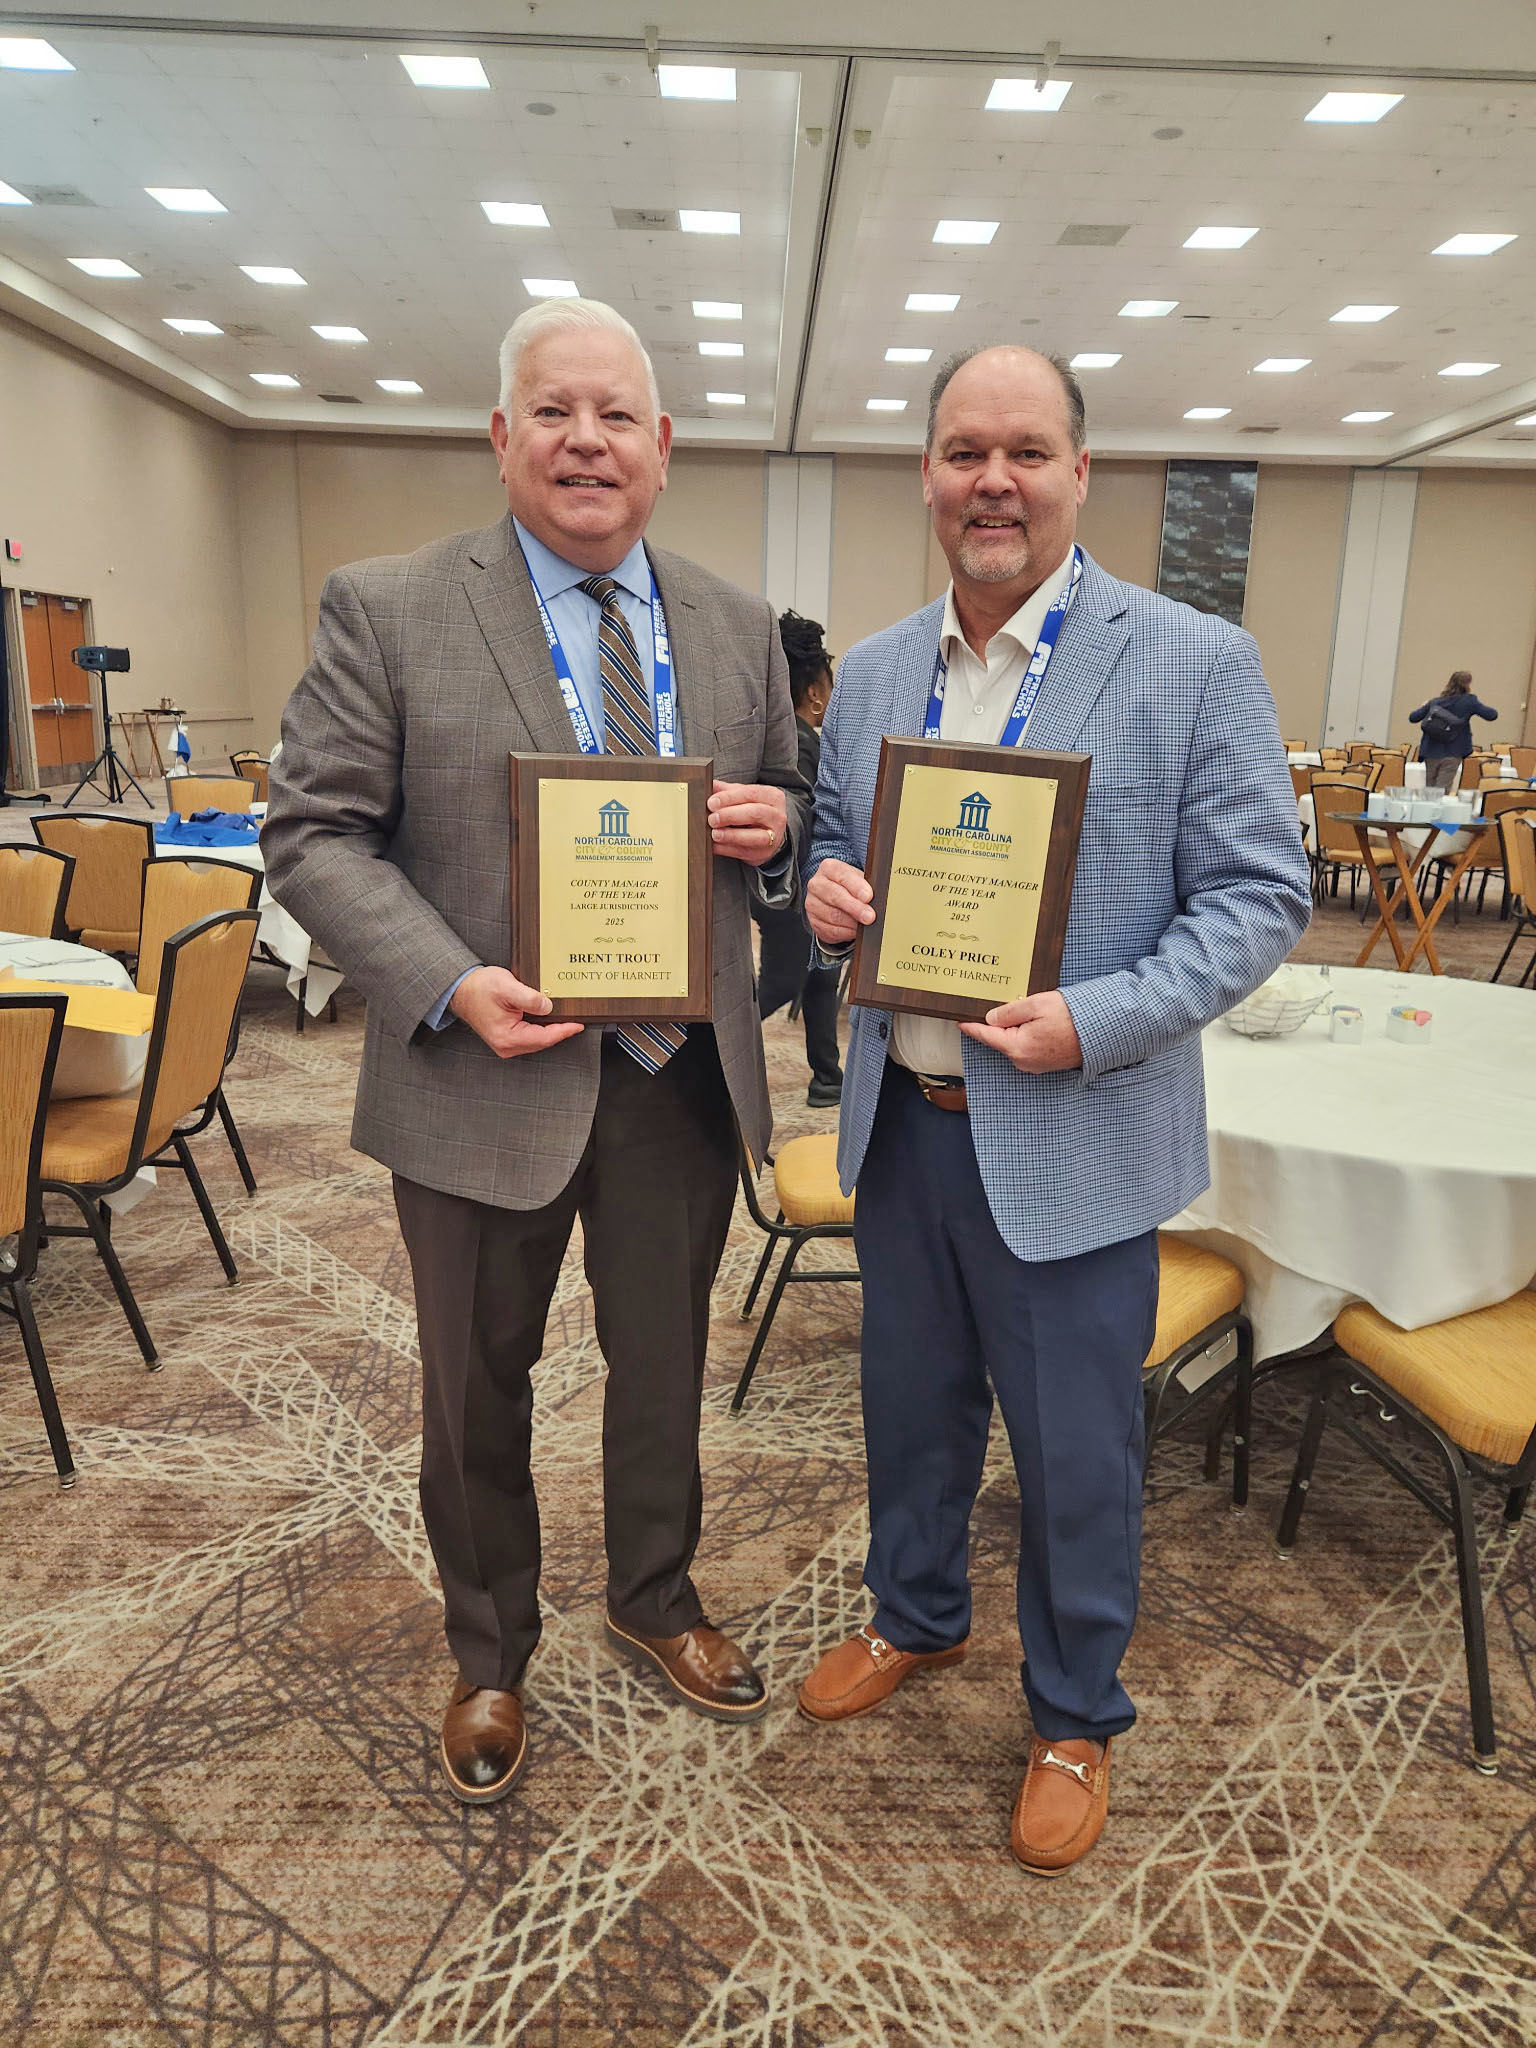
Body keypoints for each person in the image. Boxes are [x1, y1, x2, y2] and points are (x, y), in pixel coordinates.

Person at [264, 299, 809, 1806]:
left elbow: (790, 831)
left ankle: (654, 1597)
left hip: (674, 1085)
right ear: (502, 437)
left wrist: (778, 838)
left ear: (663, 446)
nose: (587, 441)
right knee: (472, 1386)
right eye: (554, 413)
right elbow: (310, 835)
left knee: (665, 1368)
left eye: (616, 415)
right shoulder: (389, 606)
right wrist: (448, 982)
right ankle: (491, 1649)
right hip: (476, 1078)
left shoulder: (735, 625)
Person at [796, 345, 1311, 1877]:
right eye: (964, 451)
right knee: (912, 1413)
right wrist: (826, 894)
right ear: (931, 478)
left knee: (1078, 1453)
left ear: (1082, 473)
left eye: (1026, 450)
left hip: (1079, 1136)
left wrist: (1092, 1018)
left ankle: (1076, 1709)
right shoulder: (882, 670)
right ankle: (918, 1616)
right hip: (905, 1132)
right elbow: (837, 846)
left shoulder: (1194, 660)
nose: (993, 480)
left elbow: (1258, 897)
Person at [753, 610, 843, 1105]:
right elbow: (807, 818)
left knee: (821, 979)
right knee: (782, 984)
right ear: (815, 693)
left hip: (794, 893)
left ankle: (827, 1077)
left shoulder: (781, 738)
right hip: (790, 896)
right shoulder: (803, 745)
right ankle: (709, 1052)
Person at [1409, 670, 1499, 789]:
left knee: (1429, 789)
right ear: (1467, 685)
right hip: (1453, 750)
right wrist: (1475, 706)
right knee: (1442, 789)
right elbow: (1492, 715)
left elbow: (1413, 718)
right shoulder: (1469, 701)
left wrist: (1424, 706)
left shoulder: (1435, 702)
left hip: (1431, 750)